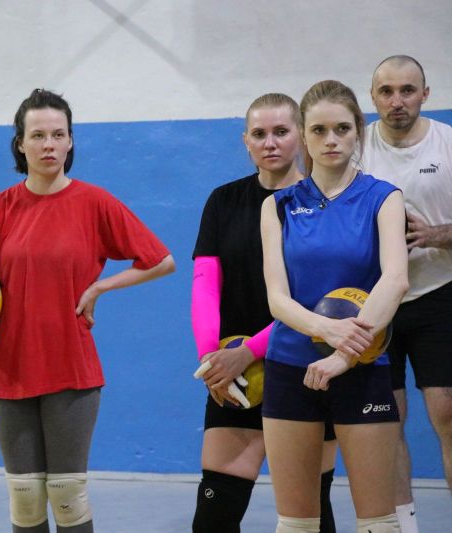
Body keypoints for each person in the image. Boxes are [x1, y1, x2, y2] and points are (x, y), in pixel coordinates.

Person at [0, 88, 175, 533]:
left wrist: (101, 286)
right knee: (26, 499)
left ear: (71, 141)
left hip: (71, 367)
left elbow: (161, 260)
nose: (48, 144)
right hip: (10, 368)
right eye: (38, 135)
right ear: (20, 144)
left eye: (58, 134)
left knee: (67, 496)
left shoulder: (95, 203)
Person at [260, 80, 409, 532]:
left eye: (342, 128)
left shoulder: (384, 197)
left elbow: (395, 280)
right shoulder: (277, 206)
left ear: (358, 131)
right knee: (296, 523)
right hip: (290, 367)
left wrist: (344, 355)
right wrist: (326, 330)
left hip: (363, 368)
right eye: (319, 130)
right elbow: (277, 299)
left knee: (378, 522)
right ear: (303, 136)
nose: (331, 140)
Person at [191, 93, 337, 533]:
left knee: (309, 513)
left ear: (301, 136)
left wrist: (249, 351)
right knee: (214, 517)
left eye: (281, 132)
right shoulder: (224, 201)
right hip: (233, 374)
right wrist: (212, 360)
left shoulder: (324, 203)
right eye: (259, 134)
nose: (270, 143)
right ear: (246, 141)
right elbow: (205, 284)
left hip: (304, 367)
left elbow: (316, 300)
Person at [361, 54, 452, 533]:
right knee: (386, 421)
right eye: (387, 91)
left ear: (425, 94)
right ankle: (403, 526)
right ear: (373, 97)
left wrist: (436, 234)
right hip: (375, 301)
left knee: (447, 412)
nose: (397, 101)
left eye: (408, 90)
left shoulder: (447, 143)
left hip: (440, 294)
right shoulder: (354, 148)